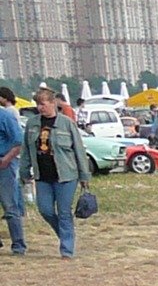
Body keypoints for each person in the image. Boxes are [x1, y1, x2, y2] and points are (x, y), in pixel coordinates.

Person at [22, 87, 90, 259]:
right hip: (42, 176)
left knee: (64, 211)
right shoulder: (32, 124)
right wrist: (24, 170)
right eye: (37, 104)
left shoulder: (67, 123)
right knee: (45, 210)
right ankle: (66, 234)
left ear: (53, 103)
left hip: (66, 175)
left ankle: (66, 249)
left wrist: (84, 176)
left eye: (43, 104)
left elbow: (79, 150)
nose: (40, 108)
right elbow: (26, 150)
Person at [0, 87, 25, 255]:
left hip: (5, 164)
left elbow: (18, 141)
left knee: (9, 205)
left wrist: (6, 159)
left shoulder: (6, 116)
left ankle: (18, 245)